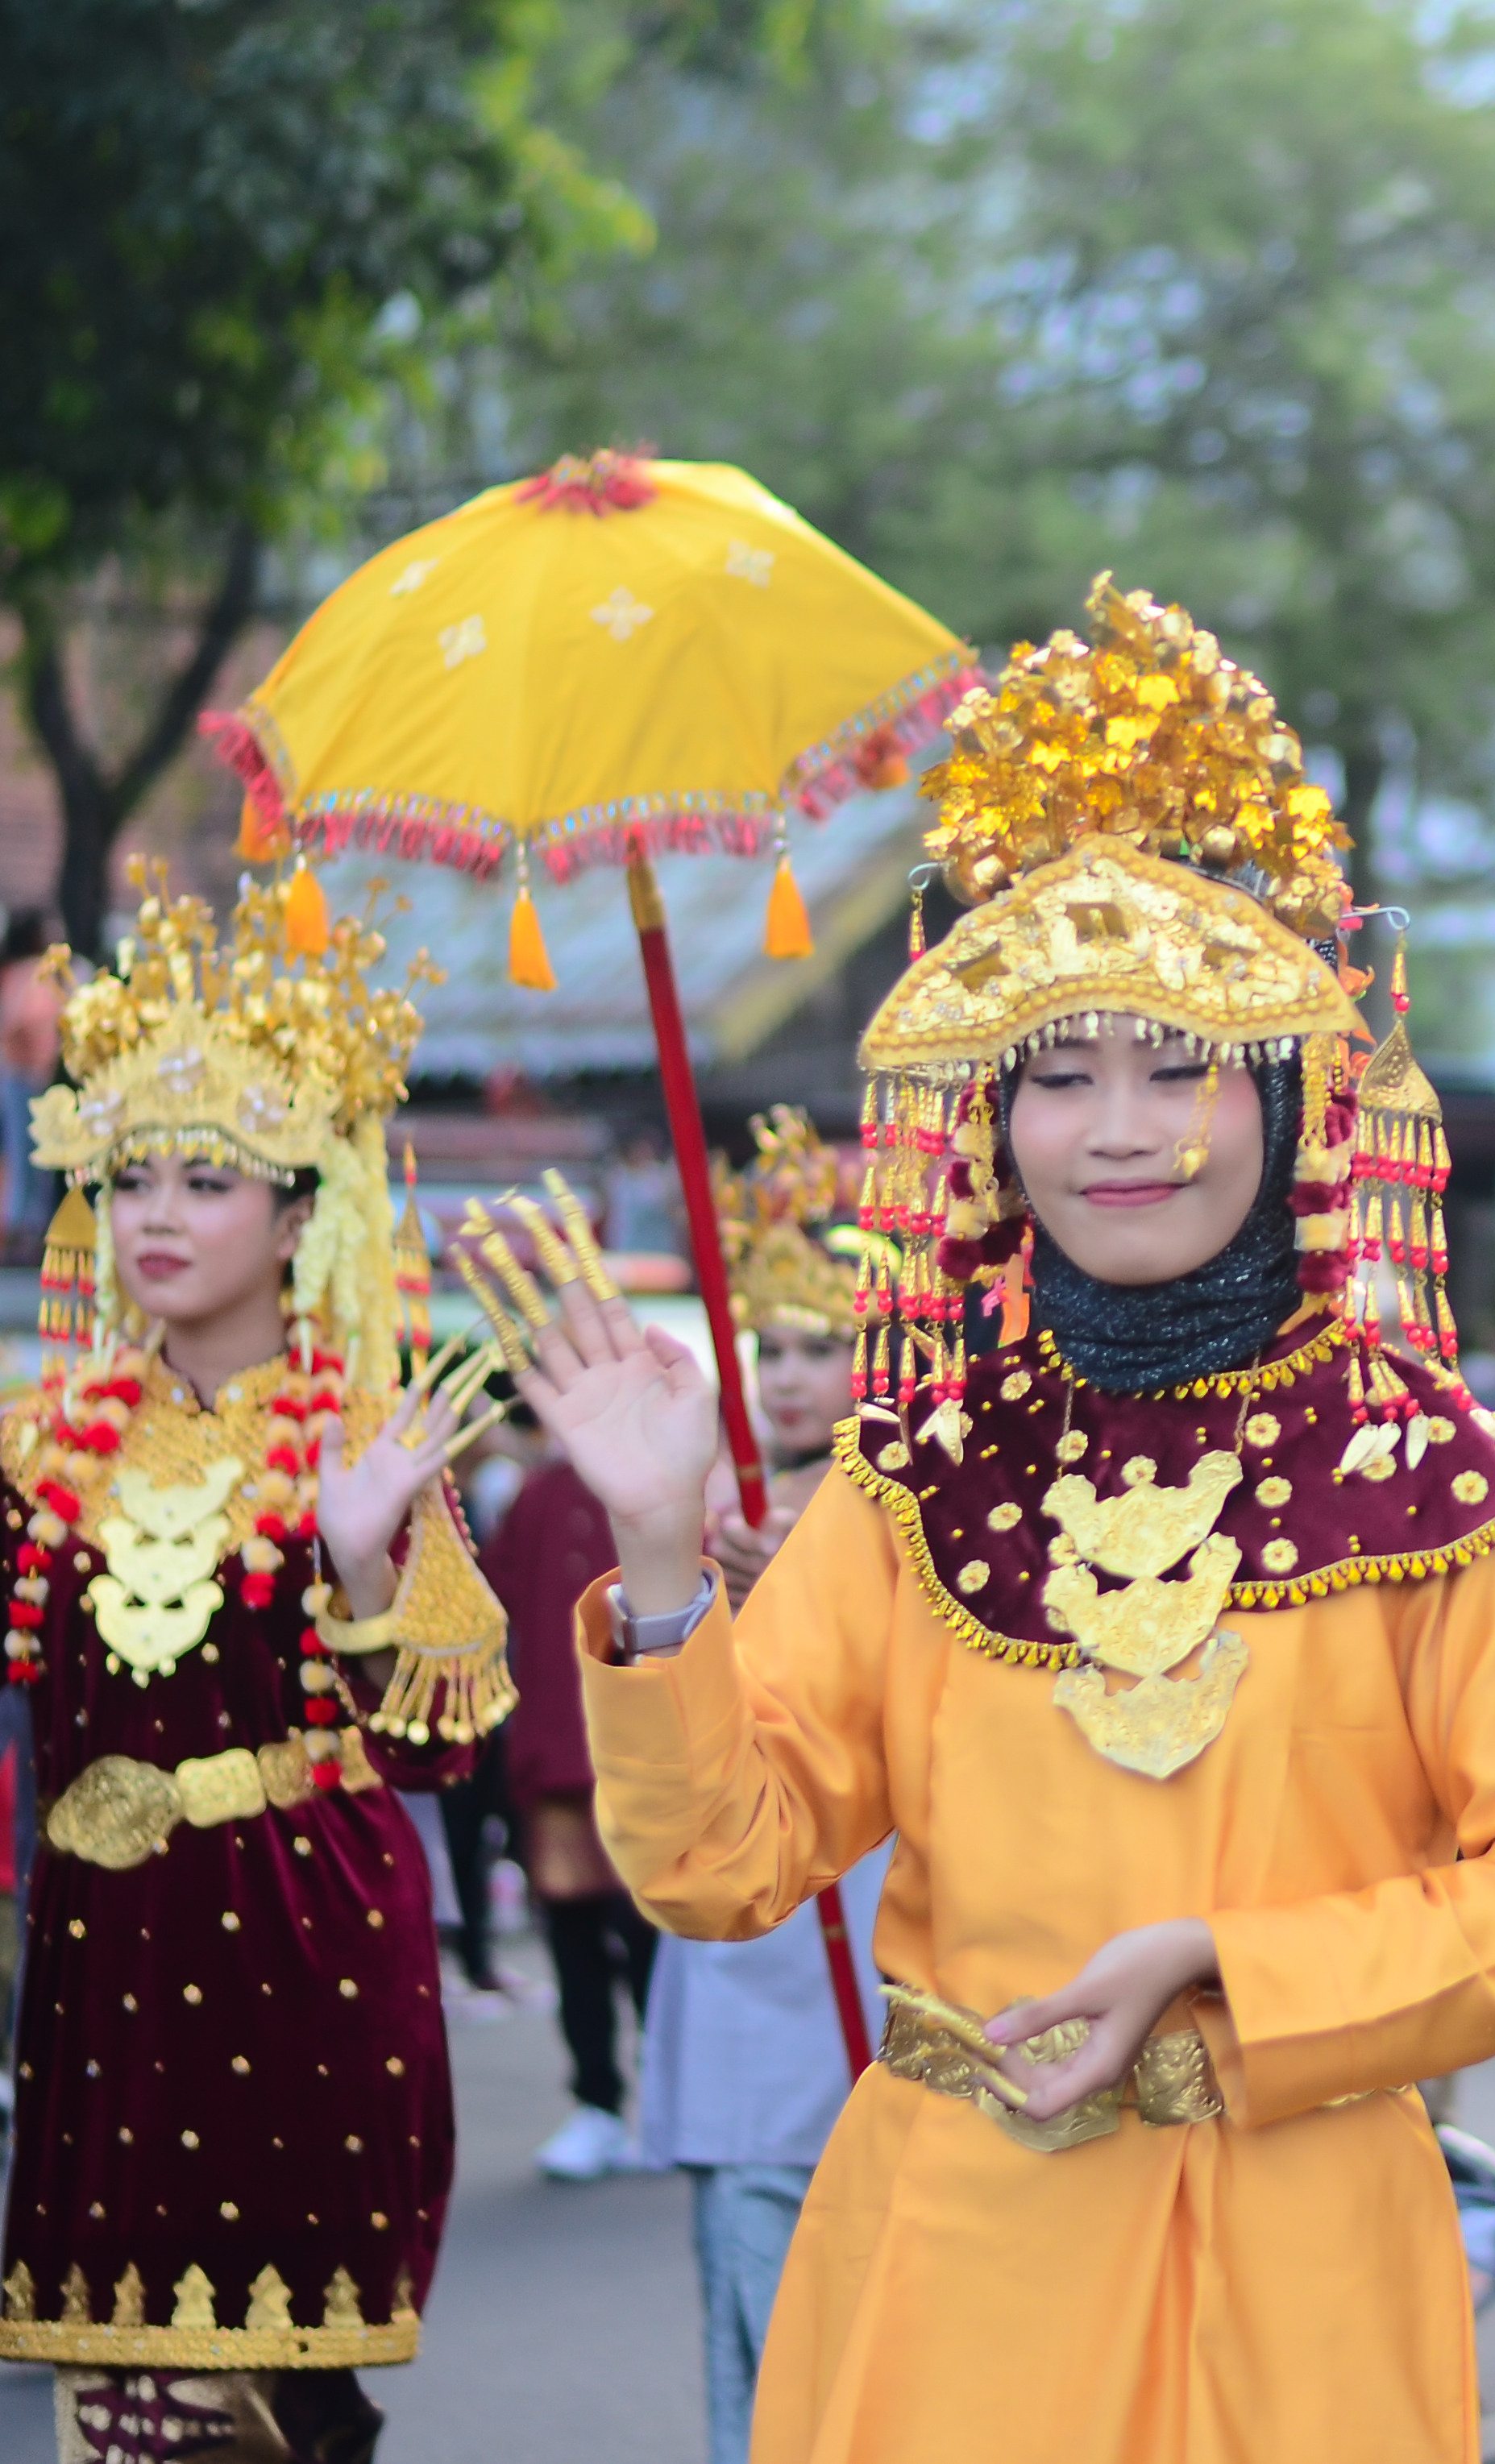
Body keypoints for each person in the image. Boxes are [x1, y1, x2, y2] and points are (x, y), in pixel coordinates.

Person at [535, 580, 1495, 2464]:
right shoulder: (914, 1471)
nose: (1118, 1127)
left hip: (1300, 2260)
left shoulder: (1424, 1476)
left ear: (1279, 1092)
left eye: (1174, 1062)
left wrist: (1226, 1969)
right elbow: (725, 1864)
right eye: (1059, 1071)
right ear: (994, 1119)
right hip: (960, 2258)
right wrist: (654, 1560)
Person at [0, 869, 513, 2462]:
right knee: (119, 2374)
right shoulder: (41, 1440)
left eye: (208, 1178)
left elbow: (441, 1748)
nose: (157, 1213)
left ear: (302, 1210)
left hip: (303, 1936)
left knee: (277, 2396)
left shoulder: (365, 1441)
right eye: (133, 1173)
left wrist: (361, 1562)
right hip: (100, 1942)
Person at [636, 1110, 888, 2462]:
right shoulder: (687, 1511)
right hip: (753, 1968)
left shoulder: (922, 1512)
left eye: (822, 1345)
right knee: (762, 2358)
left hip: (892, 1957)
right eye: (770, 1348)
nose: (791, 1379)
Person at [484, 1439, 658, 2180]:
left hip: (652, 1762)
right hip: (556, 1757)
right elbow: (491, 1602)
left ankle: (668, 2101)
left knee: (656, 1941)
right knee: (574, 1937)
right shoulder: (538, 1493)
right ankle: (596, 2104)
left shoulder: (659, 1483)